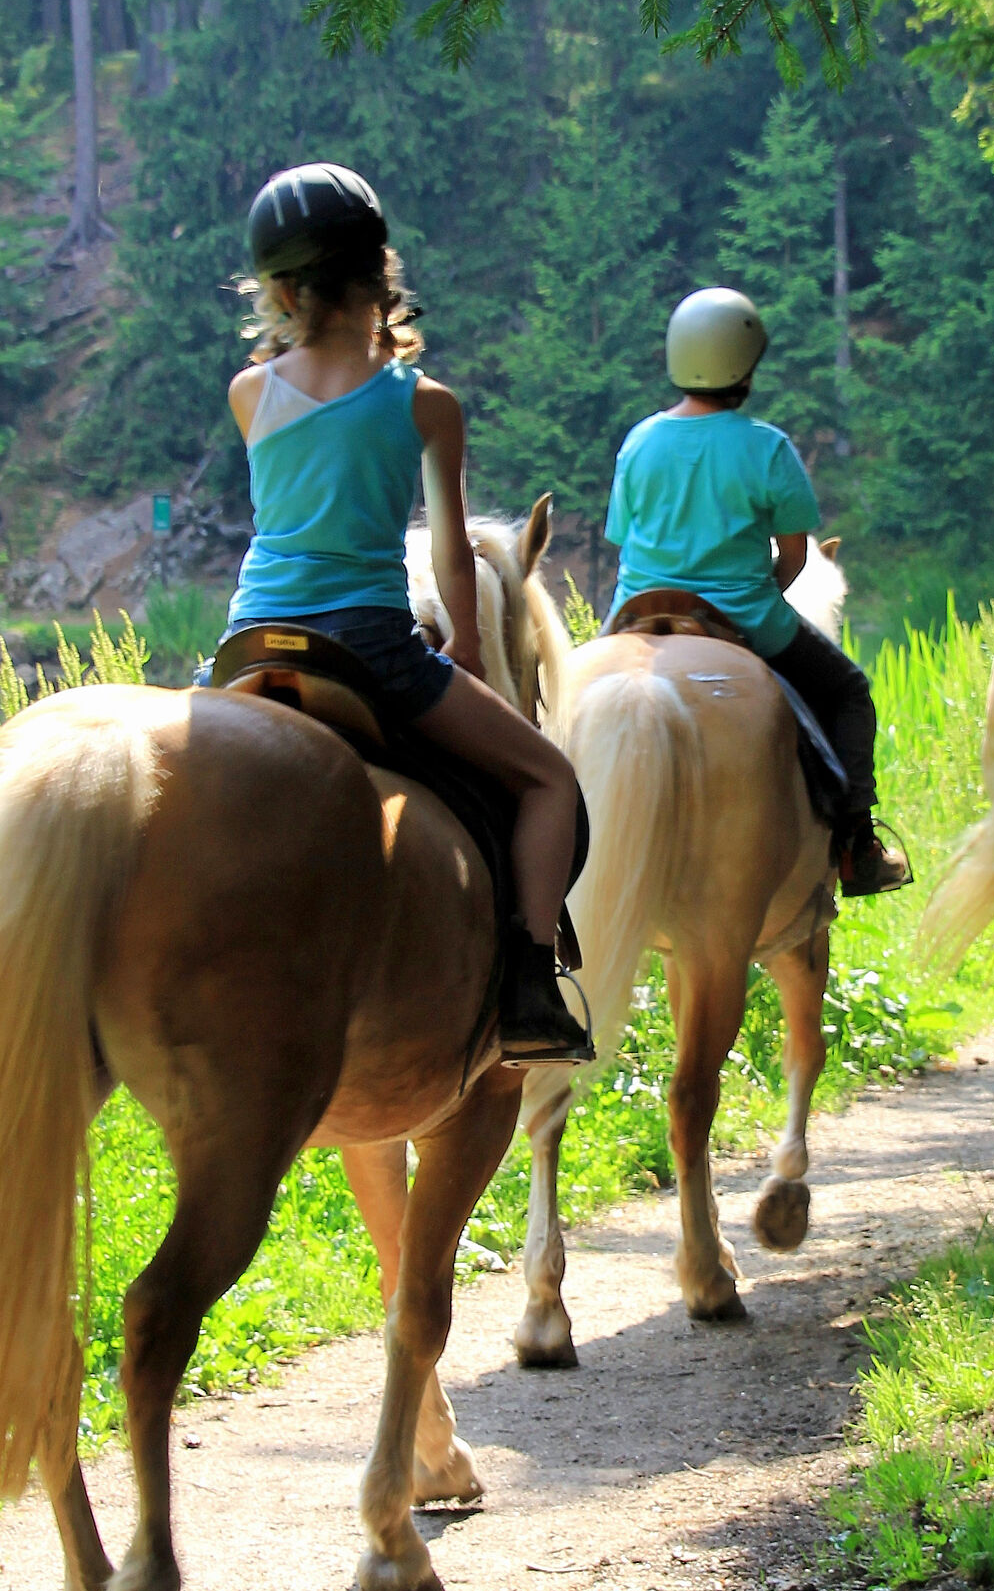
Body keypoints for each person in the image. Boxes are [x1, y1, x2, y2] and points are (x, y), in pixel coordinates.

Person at [221, 161, 594, 1063]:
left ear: (279, 291)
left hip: (246, 642)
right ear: (381, 270)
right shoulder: (425, 405)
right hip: (367, 645)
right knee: (549, 784)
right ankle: (527, 983)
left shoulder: (249, 392)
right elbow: (447, 552)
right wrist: (464, 647)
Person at [603, 286, 910, 895]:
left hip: (631, 618)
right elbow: (795, 555)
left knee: (568, 703)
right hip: (739, 614)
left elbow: (622, 539)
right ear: (745, 366)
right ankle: (857, 843)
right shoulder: (767, 447)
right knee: (850, 692)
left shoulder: (638, 441)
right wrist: (756, 597)